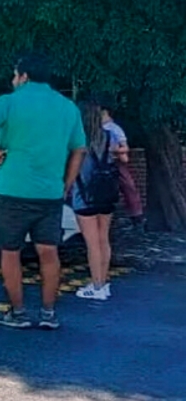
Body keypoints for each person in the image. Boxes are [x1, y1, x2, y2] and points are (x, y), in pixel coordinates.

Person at [0, 53, 86, 330]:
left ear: (23, 76)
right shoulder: (67, 107)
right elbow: (79, 149)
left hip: (12, 188)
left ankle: (18, 312)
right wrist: (67, 183)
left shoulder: (10, 101)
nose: (13, 80)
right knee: (49, 252)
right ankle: (48, 313)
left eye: (15, 75)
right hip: (49, 192)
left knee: (10, 251)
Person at [71, 100, 118, 301]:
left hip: (83, 194)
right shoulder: (109, 137)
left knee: (92, 243)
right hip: (105, 193)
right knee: (103, 239)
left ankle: (96, 285)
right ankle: (103, 283)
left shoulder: (77, 141)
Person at [100, 100, 144, 228]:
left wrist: (112, 150)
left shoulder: (114, 128)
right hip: (102, 162)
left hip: (114, 160)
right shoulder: (96, 128)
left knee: (128, 186)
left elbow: (125, 147)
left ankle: (137, 215)